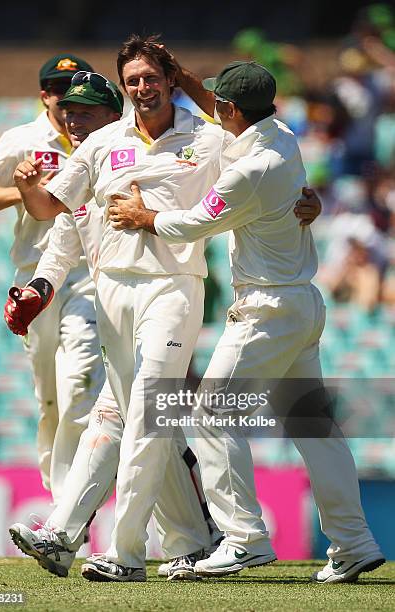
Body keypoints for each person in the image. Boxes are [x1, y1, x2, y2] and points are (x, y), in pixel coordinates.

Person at [12, 35, 322, 583]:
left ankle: (127, 553)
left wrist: (306, 197)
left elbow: (268, 158)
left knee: (148, 420)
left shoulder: (208, 137)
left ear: (169, 80)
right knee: (125, 416)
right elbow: (51, 209)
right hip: (112, 294)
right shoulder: (104, 141)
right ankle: (168, 539)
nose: (141, 88)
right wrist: (28, 191)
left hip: (174, 289)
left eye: (150, 78)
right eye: (132, 80)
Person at [109, 60, 385, 584]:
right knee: (314, 427)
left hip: (265, 309)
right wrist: (181, 73)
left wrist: (144, 217)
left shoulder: (248, 171)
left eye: (221, 103)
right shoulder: (279, 132)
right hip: (301, 303)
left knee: (212, 414)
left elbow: (196, 223)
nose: (214, 107)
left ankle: (243, 540)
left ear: (233, 110)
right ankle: (353, 542)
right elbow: (221, 109)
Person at [6, 73, 219, 580]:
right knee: (129, 417)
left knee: (138, 413)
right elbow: (59, 244)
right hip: (114, 306)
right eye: (68, 112)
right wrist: (38, 290)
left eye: (85, 112)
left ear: (111, 115)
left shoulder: (142, 151)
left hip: (167, 294)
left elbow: (240, 153)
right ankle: (193, 539)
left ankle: (95, 541)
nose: (72, 121)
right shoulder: (86, 173)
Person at [0, 54, 106, 505]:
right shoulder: (23, 139)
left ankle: (69, 508)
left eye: (79, 94)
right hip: (35, 277)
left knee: (79, 379)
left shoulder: (102, 139)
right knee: (50, 397)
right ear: (45, 95)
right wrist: (26, 193)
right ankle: (56, 485)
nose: (70, 104)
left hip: (88, 274)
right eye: (61, 93)